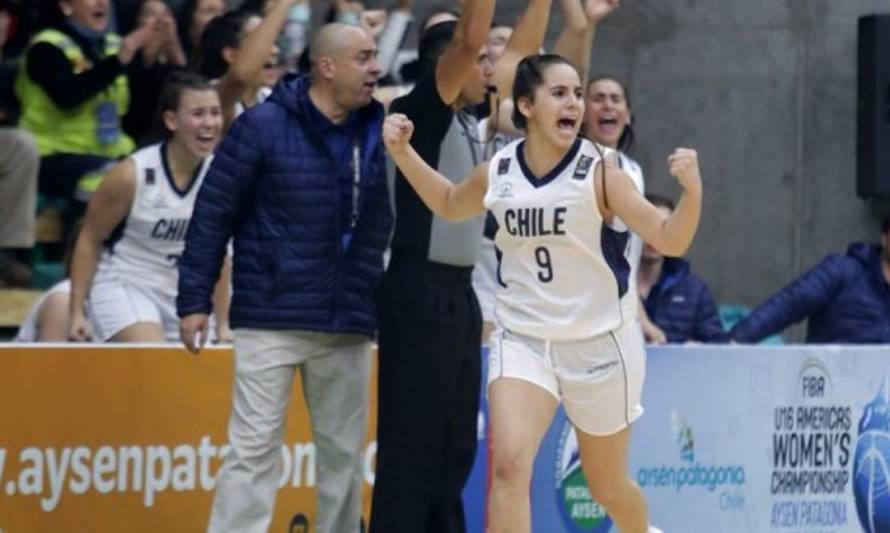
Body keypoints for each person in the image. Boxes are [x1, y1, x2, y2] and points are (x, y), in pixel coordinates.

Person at [383, 54, 701, 533]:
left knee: (607, 486)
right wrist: (404, 154)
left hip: (600, 342)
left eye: (577, 92)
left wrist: (692, 192)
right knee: (509, 467)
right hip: (525, 338)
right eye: (560, 93)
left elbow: (671, 239)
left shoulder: (602, 171)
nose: (574, 102)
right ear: (527, 106)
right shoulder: (501, 169)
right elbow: (449, 203)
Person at [176, 23, 390, 533]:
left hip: (348, 320)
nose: (376, 68)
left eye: (376, 56)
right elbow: (213, 215)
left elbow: (386, 224)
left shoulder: (380, 131)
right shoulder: (261, 126)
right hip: (271, 316)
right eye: (364, 57)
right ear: (327, 66)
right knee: (252, 454)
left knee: (344, 460)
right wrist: (194, 300)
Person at [369, 0, 495, 530]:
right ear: (452, 66)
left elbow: (528, 62)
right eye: (480, 60)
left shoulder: (472, 119)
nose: (488, 67)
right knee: (412, 447)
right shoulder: (419, 111)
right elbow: (467, 41)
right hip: (418, 291)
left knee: (456, 445)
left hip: (460, 295)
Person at [67, 71, 224, 342]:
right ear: (171, 120)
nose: (209, 123)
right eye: (198, 114)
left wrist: (224, 322)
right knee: (153, 356)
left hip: (183, 292)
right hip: (126, 283)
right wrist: (75, 312)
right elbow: (89, 239)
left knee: (199, 374)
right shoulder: (131, 174)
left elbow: (221, 255)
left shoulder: (223, 178)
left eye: (215, 112)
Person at [15, 0, 161, 227]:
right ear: (66, 5)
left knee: (158, 175)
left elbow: (140, 110)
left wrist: (150, 63)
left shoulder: (114, 44)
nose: (101, 2)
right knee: (109, 181)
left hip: (110, 152)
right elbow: (67, 97)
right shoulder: (46, 47)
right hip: (54, 154)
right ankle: (83, 253)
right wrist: (119, 61)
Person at [730, 214, 890, 344]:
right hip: (830, 378)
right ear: (884, 237)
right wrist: (735, 340)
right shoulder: (842, 271)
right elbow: (789, 304)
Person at [636, 194, 726, 343]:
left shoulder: (694, 290)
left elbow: (718, 348)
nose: (653, 235)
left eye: (664, 226)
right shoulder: (612, 285)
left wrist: (696, 349)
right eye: (647, 225)